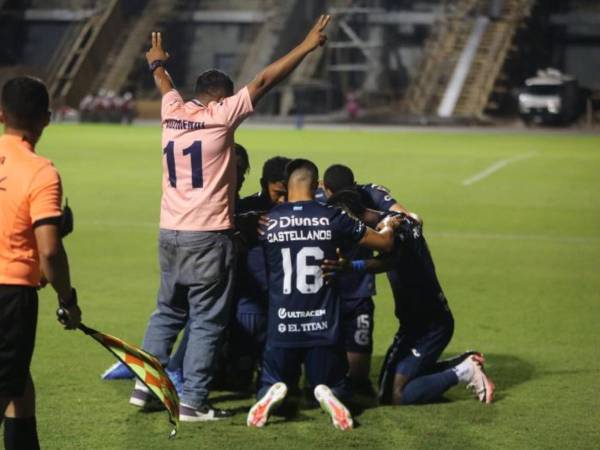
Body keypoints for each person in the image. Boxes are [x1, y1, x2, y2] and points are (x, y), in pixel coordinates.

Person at [132, 15, 333, 423]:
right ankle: (193, 401)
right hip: (208, 236)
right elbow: (262, 82)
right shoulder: (221, 117)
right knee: (207, 318)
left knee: (167, 311)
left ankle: (143, 387)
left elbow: (165, 86)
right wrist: (306, 45)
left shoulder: (172, 111)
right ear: (221, 98)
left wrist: (156, 63)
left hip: (169, 232)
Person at [246, 159, 401, 430]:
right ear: (316, 184)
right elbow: (384, 243)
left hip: (282, 323)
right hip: (323, 325)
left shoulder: (268, 221)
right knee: (338, 383)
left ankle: (272, 390)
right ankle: (330, 393)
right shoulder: (332, 216)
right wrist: (390, 225)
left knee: (272, 381)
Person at [323, 190, 495, 406]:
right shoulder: (395, 219)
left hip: (427, 325)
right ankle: (463, 363)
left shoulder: (394, 228)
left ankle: (464, 371)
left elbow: (389, 260)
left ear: (349, 215)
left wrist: (351, 266)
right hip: (420, 320)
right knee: (390, 389)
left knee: (395, 395)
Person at [0, 76, 82, 450]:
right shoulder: (40, 172)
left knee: (18, 383)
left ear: (1, 114)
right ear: (47, 119)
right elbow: (49, 251)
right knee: (6, 384)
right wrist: (68, 299)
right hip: (10, 296)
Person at [315, 164, 411, 396]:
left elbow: (405, 217)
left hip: (357, 293)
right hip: (325, 293)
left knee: (358, 377)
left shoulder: (370, 195)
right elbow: (410, 218)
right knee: (320, 374)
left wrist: (381, 220)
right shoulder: (316, 197)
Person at [225, 156, 291, 390]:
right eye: (278, 193)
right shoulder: (246, 210)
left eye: (288, 193)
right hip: (250, 299)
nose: (283, 199)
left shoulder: (300, 212)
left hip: (286, 298)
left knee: (279, 368)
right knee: (241, 368)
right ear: (264, 183)